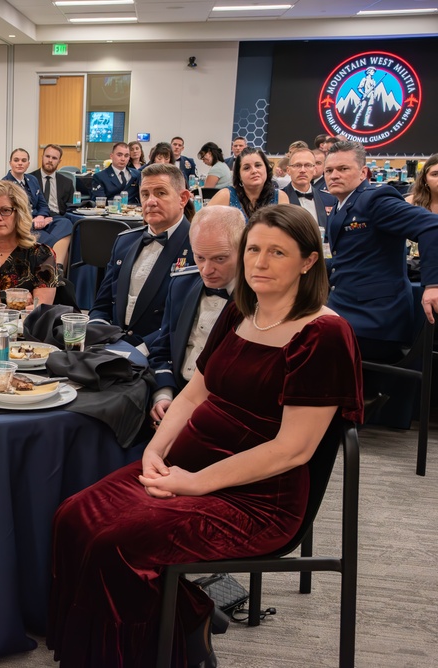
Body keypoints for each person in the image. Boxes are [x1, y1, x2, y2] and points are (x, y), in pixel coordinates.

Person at [48, 203, 363, 668]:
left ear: (308, 261)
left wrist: (194, 483)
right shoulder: (242, 310)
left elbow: (292, 449)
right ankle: (155, 631)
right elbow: (195, 394)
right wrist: (155, 451)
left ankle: (178, 630)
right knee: (72, 517)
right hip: (187, 469)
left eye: (278, 252)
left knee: (115, 544)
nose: (259, 262)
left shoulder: (323, 334)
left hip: (256, 501)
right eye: (253, 249)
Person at [324, 140, 438, 361]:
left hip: (374, 320)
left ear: (363, 173)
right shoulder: (339, 205)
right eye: (329, 170)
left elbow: (432, 226)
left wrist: (433, 284)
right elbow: (346, 258)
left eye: (343, 169)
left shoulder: (375, 200)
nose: (334, 175)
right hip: (344, 309)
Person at [148, 205, 245, 425]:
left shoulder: (257, 300)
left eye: (220, 259)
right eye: (199, 257)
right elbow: (162, 349)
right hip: (175, 395)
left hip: (224, 412)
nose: (206, 270)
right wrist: (163, 395)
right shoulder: (181, 284)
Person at [89, 163, 194, 350]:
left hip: (160, 352)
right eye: (145, 194)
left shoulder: (196, 247)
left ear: (183, 198)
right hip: (112, 347)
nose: (150, 201)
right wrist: (98, 336)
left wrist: (140, 350)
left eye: (161, 193)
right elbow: (102, 304)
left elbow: (189, 317)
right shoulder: (124, 242)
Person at [29, 144, 75, 265]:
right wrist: (40, 218)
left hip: (56, 219)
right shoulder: (30, 179)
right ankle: (56, 266)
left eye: (54, 158)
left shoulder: (67, 182)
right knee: (62, 243)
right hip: (36, 219)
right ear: (42, 157)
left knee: (67, 223)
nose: (50, 160)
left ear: (59, 161)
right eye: (47, 156)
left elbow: (69, 207)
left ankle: (56, 273)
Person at [207, 147, 287, 218]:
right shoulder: (226, 195)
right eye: (247, 168)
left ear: (266, 168)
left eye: (258, 165)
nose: (254, 171)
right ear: (239, 175)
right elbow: (200, 224)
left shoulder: (280, 196)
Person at [282, 147, 336, 230]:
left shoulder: (330, 199)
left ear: (314, 170)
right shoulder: (278, 198)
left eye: (308, 165)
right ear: (288, 170)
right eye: (297, 165)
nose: (303, 170)